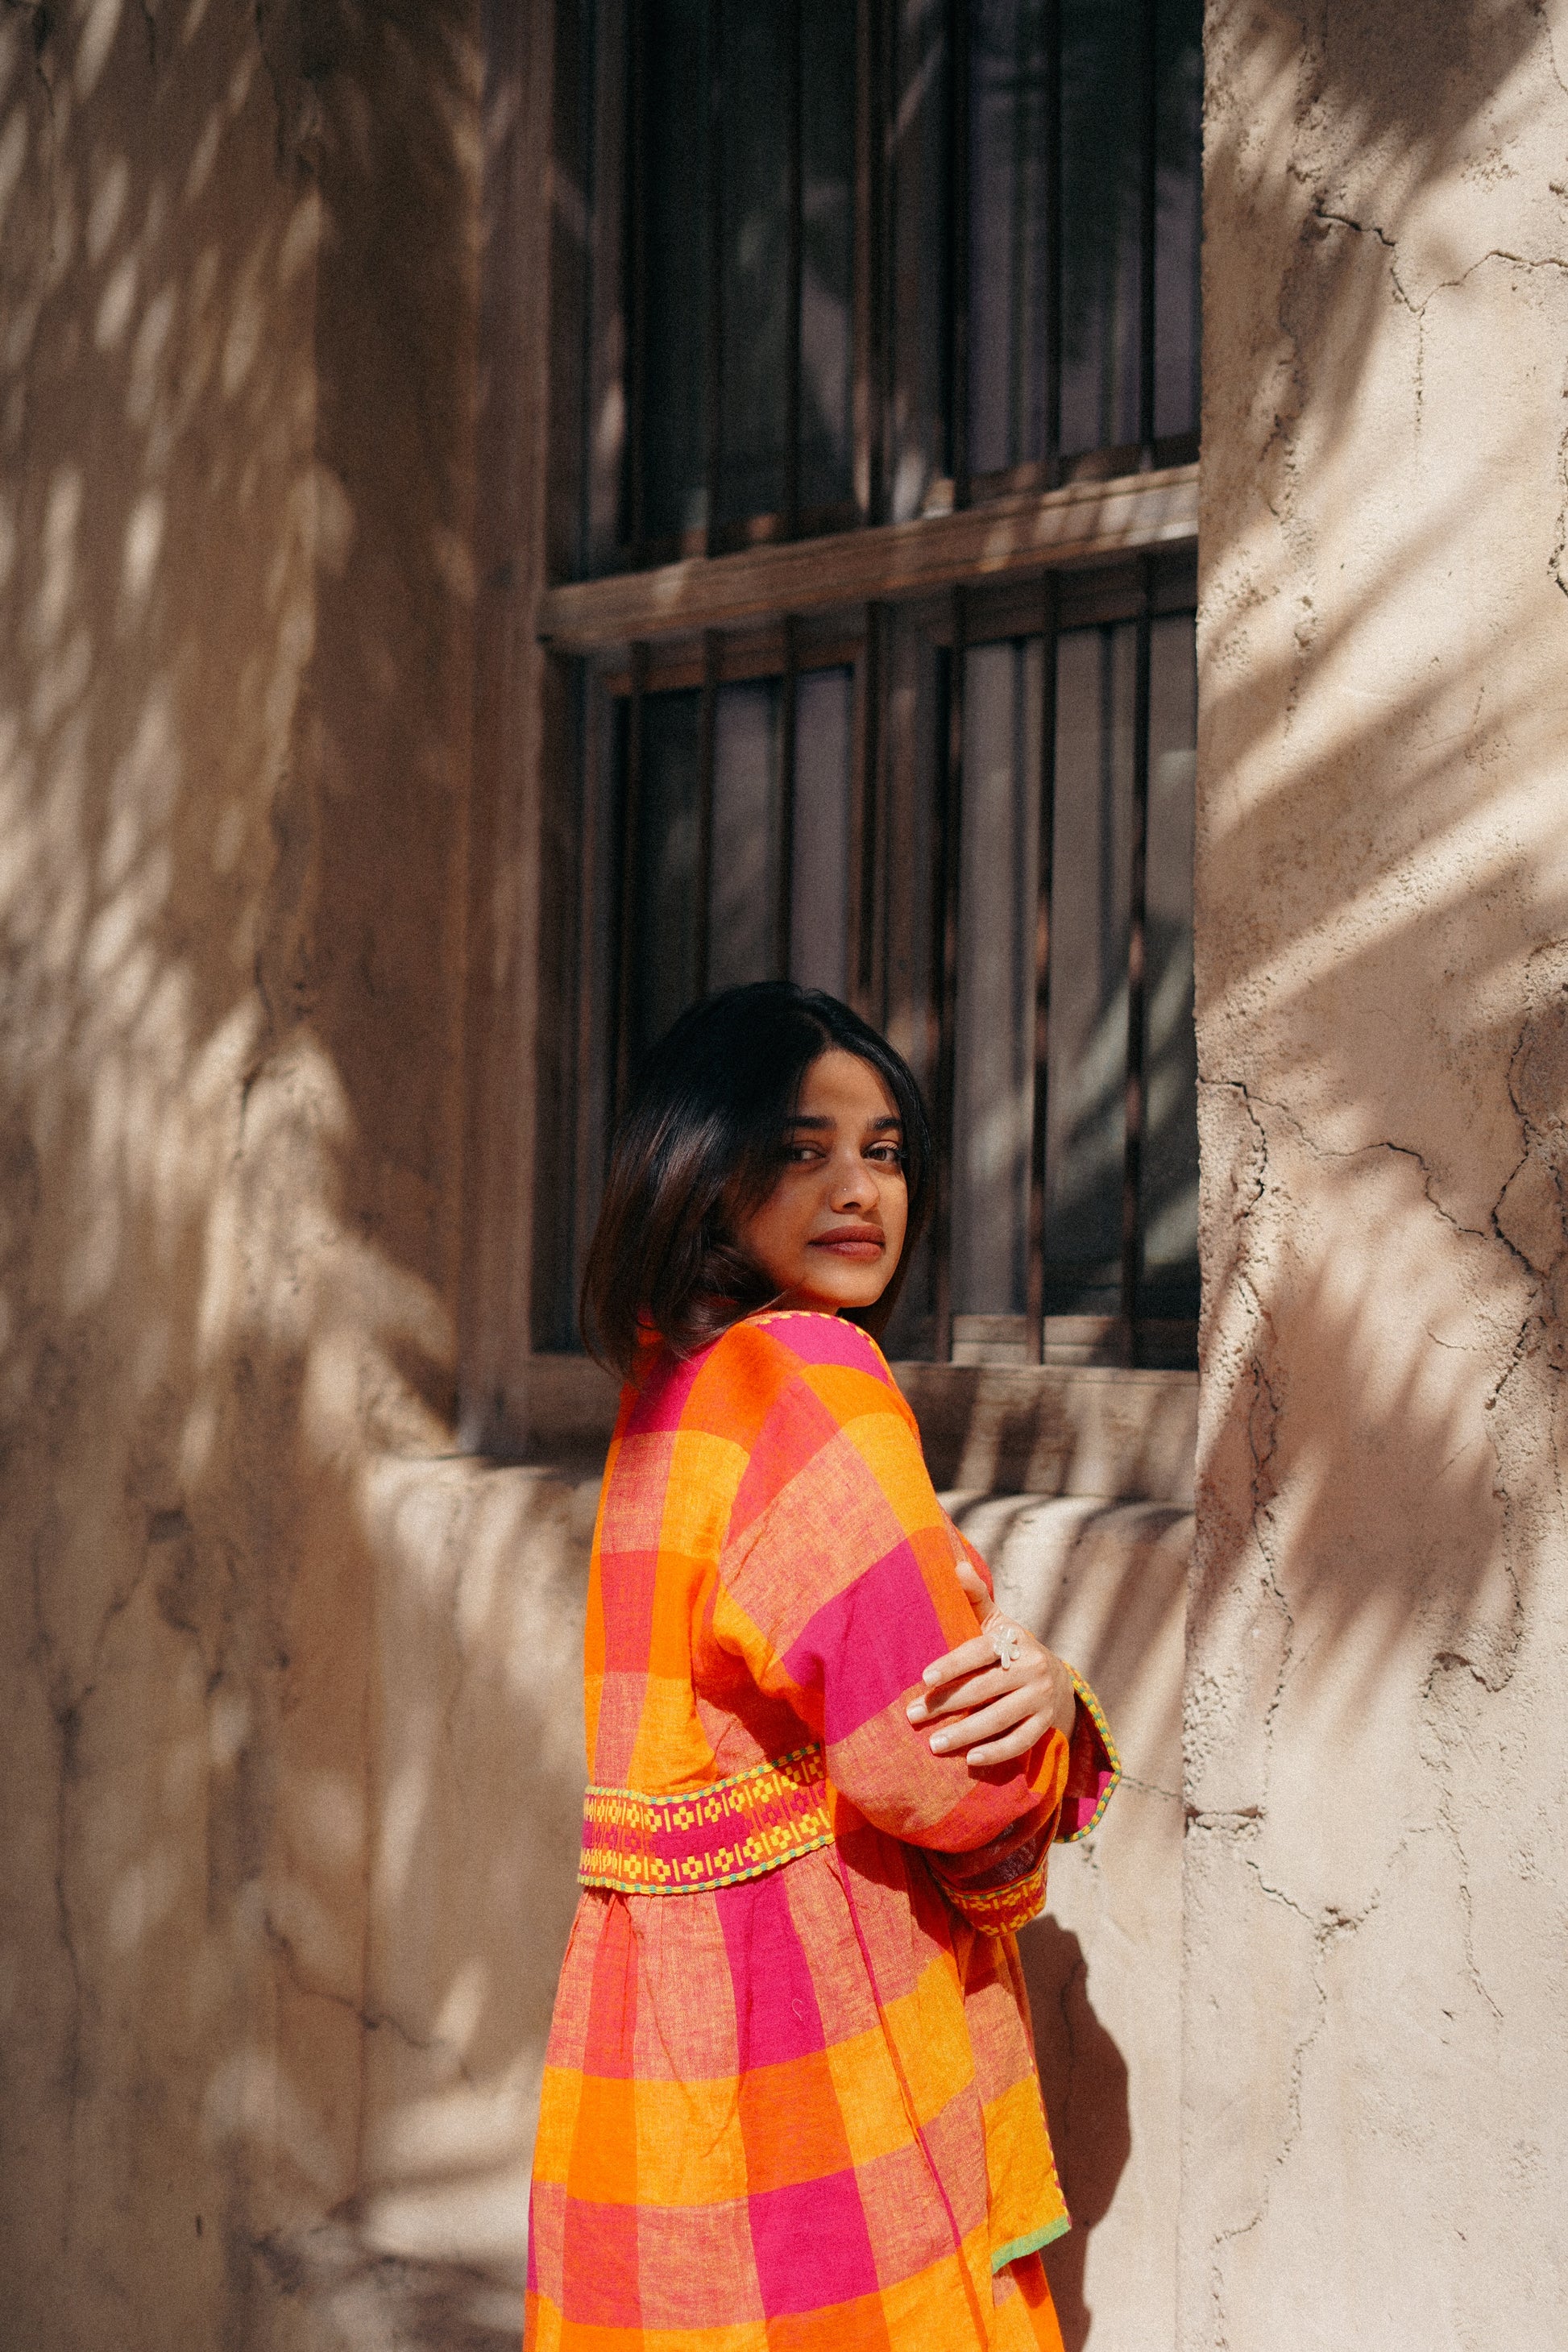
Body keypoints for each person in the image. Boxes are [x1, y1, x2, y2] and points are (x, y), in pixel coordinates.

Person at [524, 983, 1119, 2352]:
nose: (860, 1189)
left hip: (650, 2066)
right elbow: (938, 1778)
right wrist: (1053, 1724)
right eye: (801, 1149)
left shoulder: (671, 1395)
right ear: (701, 1169)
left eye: (885, 1150)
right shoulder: (809, 1378)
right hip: (810, 2073)